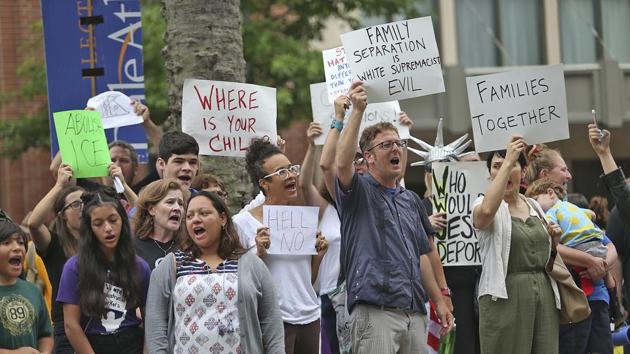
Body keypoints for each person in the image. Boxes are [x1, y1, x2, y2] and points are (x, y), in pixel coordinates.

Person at [335, 81, 453, 353]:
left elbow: (422, 254)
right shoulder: (358, 191)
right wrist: (357, 111)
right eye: (386, 145)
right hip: (375, 311)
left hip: (414, 312)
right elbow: (341, 164)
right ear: (369, 158)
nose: (396, 149)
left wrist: (440, 299)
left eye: (399, 143)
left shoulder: (410, 199)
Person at [146, 191, 285, 353]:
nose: (196, 219)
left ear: (223, 219)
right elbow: (155, 326)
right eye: (189, 216)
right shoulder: (171, 265)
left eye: (204, 213)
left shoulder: (251, 263)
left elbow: (271, 321)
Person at [234, 138, 328, 354]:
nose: (292, 175)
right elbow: (238, 284)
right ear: (264, 183)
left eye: (291, 169)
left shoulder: (302, 220)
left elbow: (307, 281)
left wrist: (319, 255)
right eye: (282, 172)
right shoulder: (242, 224)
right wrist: (259, 254)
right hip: (272, 320)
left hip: (310, 318)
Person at [472, 136, 561, 353]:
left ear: (523, 171)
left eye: (512, 165)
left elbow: (547, 261)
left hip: (543, 297)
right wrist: (509, 159)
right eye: (496, 166)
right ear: (490, 173)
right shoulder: (482, 204)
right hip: (505, 299)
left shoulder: (534, 206)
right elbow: (484, 216)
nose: (504, 169)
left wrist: (554, 244)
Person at [528, 137, 614, 353]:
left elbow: (608, 243)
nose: (569, 175)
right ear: (545, 176)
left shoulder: (571, 209)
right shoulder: (532, 208)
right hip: (569, 303)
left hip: (598, 296)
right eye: (563, 169)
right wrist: (590, 260)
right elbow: (548, 247)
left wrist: (602, 265)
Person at [56, 189, 151, 354]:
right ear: (89, 228)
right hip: (93, 344)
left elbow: (150, 320)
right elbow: (71, 325)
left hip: (132, 342)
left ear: (123, 220)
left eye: (113, 220)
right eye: (98, 223)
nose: (108, 228)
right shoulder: (74, 267)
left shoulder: (139, 266)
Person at [27, 165, 85, 354]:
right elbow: (34, 223)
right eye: (76, 204)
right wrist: (59, 186)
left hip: (99, 325)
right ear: (62, 215)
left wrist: (122, 184)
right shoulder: (54, 244)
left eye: (86, 202)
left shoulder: (103, 243)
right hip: (66, 328)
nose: (83, 208)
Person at [0, 217, 53, 353]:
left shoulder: (33, 291)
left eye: (21, 242)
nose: (17, 248)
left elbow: (45, 334)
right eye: (6, 243)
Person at [132, 179, 187, 270]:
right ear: (151, 209)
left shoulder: (188, 247)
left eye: (181, 204)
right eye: (170, 202)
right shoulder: (133, 247)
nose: (177, 208)